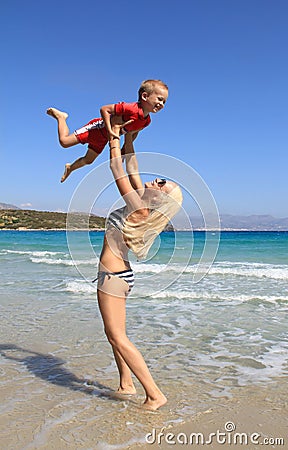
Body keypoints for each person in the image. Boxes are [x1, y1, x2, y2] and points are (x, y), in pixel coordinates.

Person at [95, 121, 183, 410]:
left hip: (113, 276)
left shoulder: (139, 206)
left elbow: (118, 170)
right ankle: (125, 383)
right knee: (113, 334)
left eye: (161, 185)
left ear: (161, 198)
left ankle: (154, 394)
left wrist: (113, 138)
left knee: (118, 337)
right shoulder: (143, 202)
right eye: (159, 179)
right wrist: (130, 138)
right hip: (119, 275)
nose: (155, 182)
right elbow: (132, 166)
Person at [46, 79, 168, 182]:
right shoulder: (131, 108)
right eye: (159, 99)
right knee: (64, 142)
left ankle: (70, 168)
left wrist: (125, 148)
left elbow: (134, 132)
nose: (162, 104)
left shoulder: (147, 121)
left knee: (88, 161)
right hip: (96, 129)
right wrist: (109, 130)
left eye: (164, 102)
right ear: (145, 96)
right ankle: (61, 117)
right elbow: (105, 109)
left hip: (103, 139)